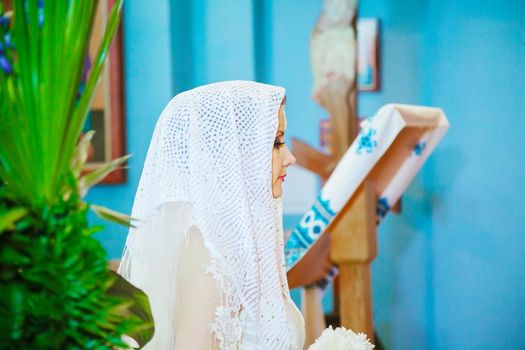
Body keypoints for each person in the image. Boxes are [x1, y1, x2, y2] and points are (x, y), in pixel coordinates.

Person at [118, 81, 305, 349]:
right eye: (276, 143)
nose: (290, 157)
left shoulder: (235, 243)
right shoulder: (207, 258)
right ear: (235, 155)